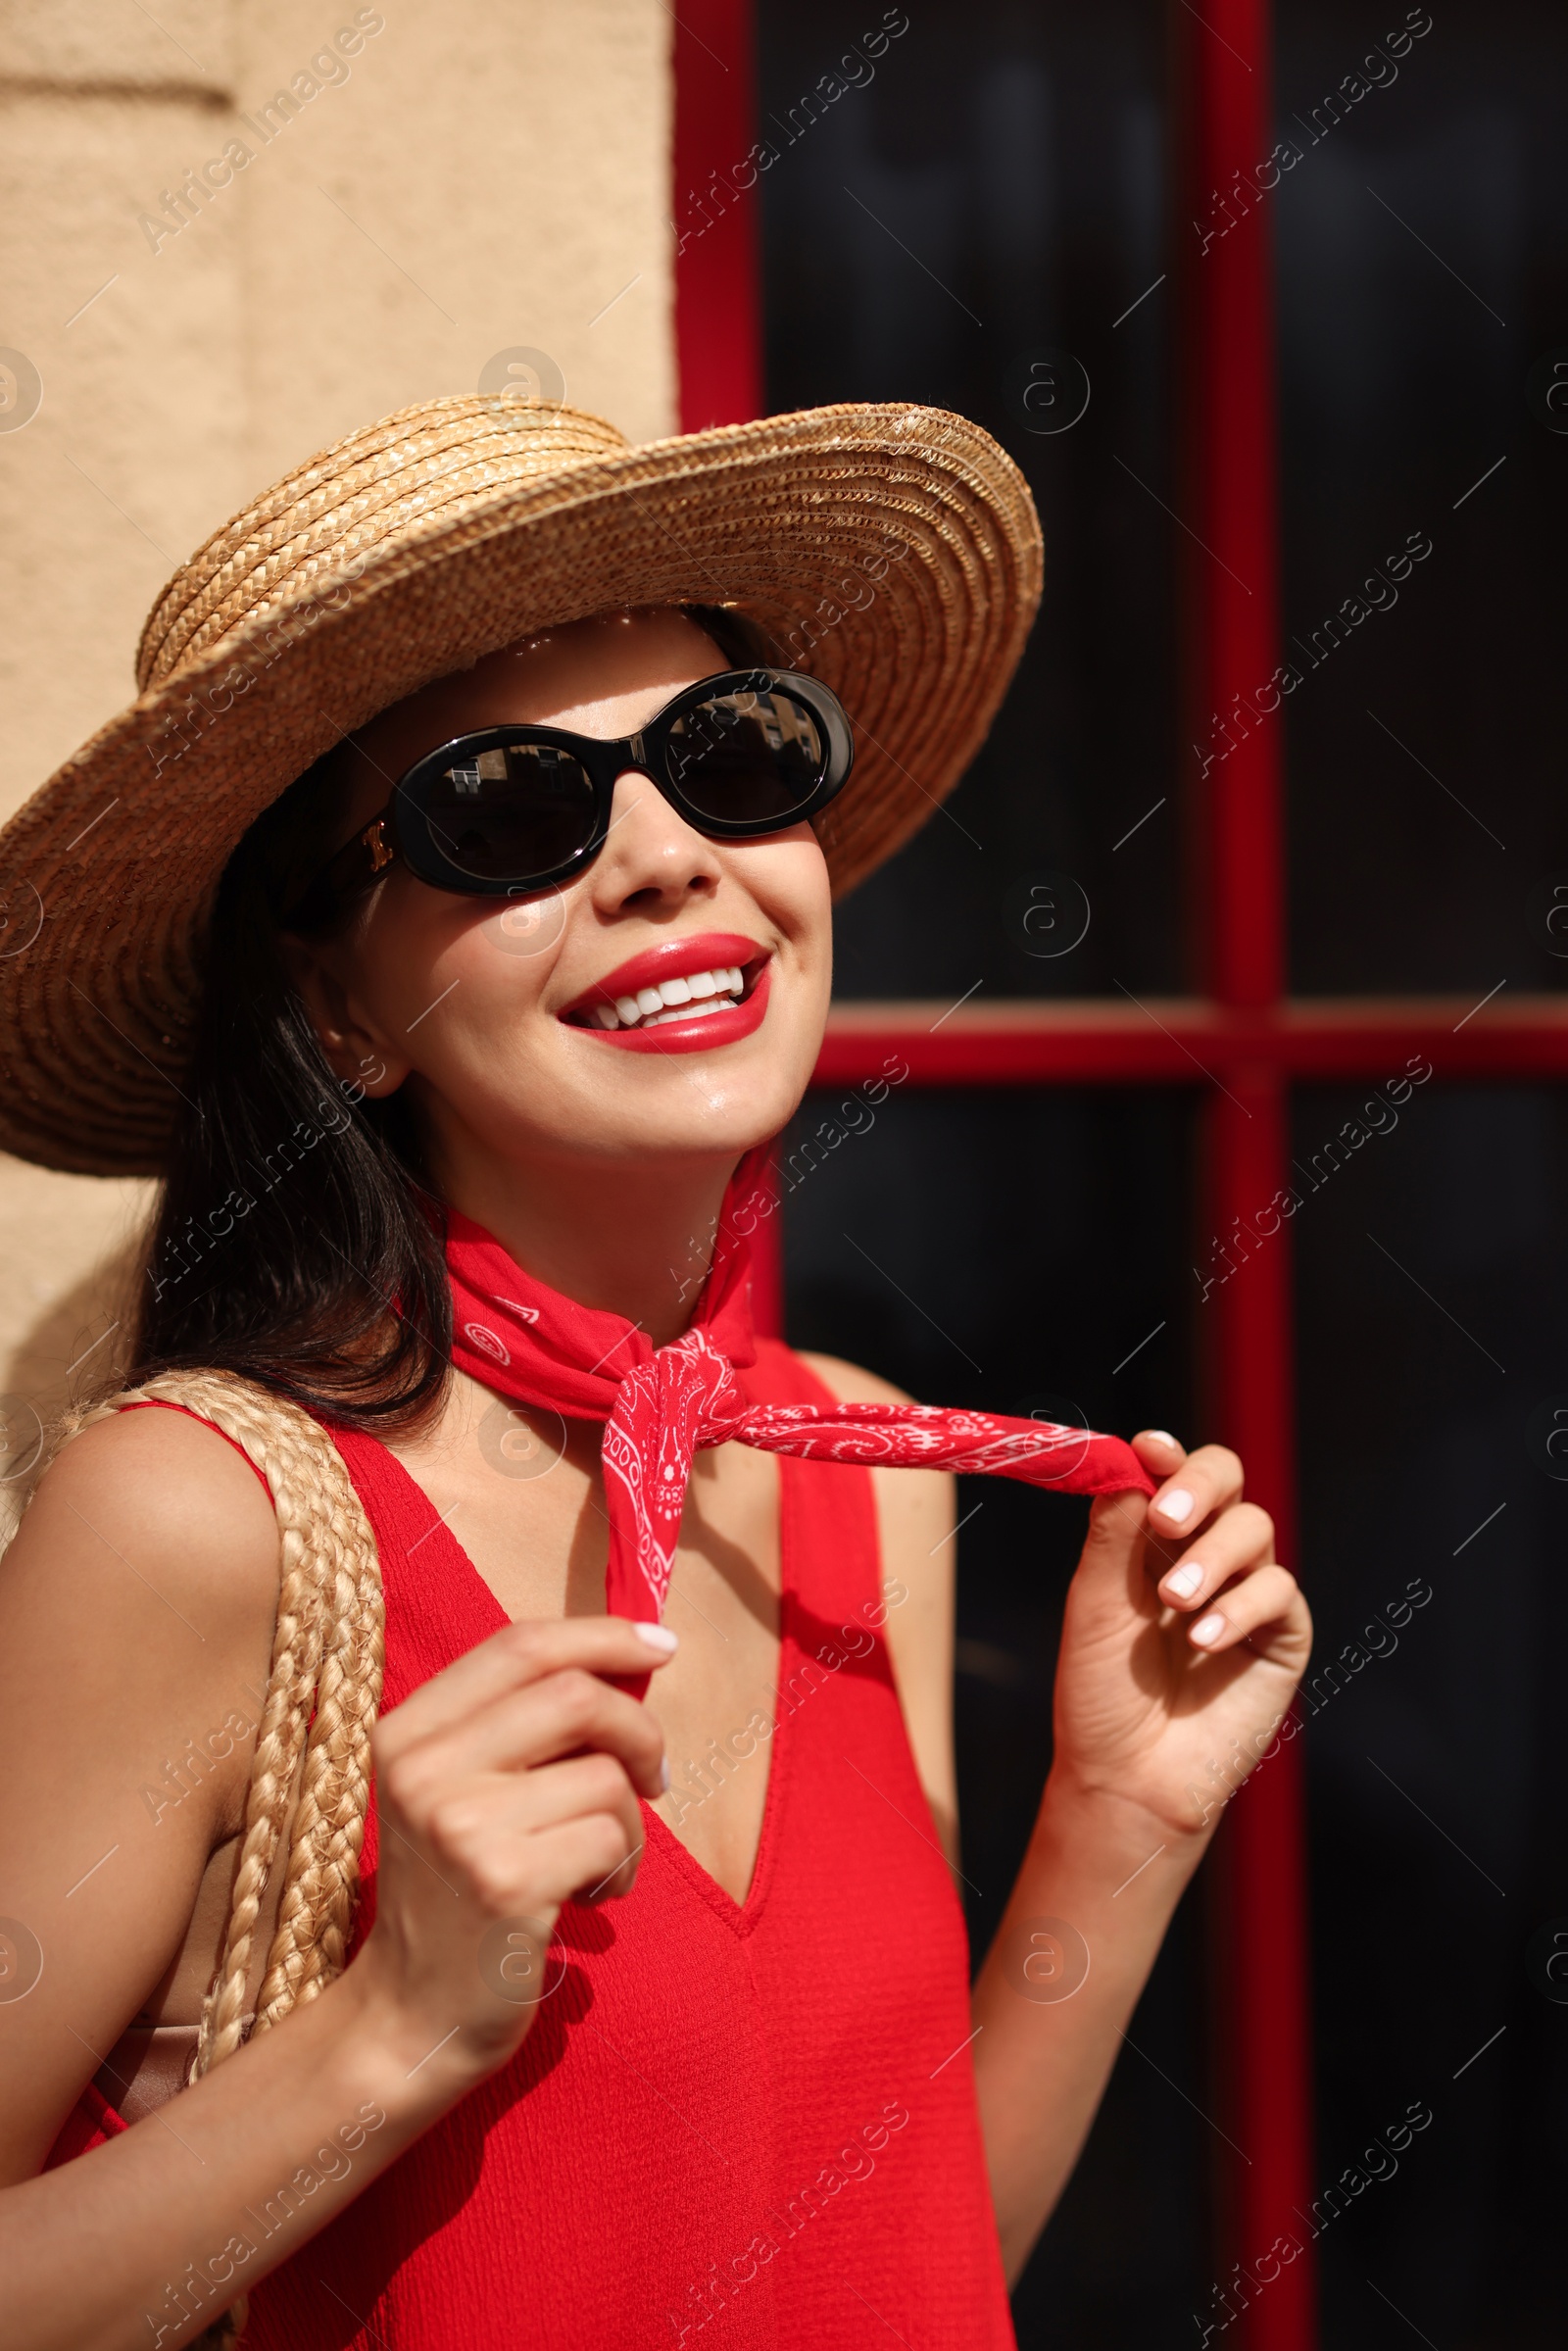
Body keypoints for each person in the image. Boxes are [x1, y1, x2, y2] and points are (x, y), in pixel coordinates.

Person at [0, 395, 1311, 2349]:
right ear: (333, 1001)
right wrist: (391, 2031)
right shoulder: (194, 1511)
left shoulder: (865, 1456)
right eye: (508, 813)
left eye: (727, 761)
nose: (664, 860)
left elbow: (894, 2255)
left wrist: (1121, 1830)